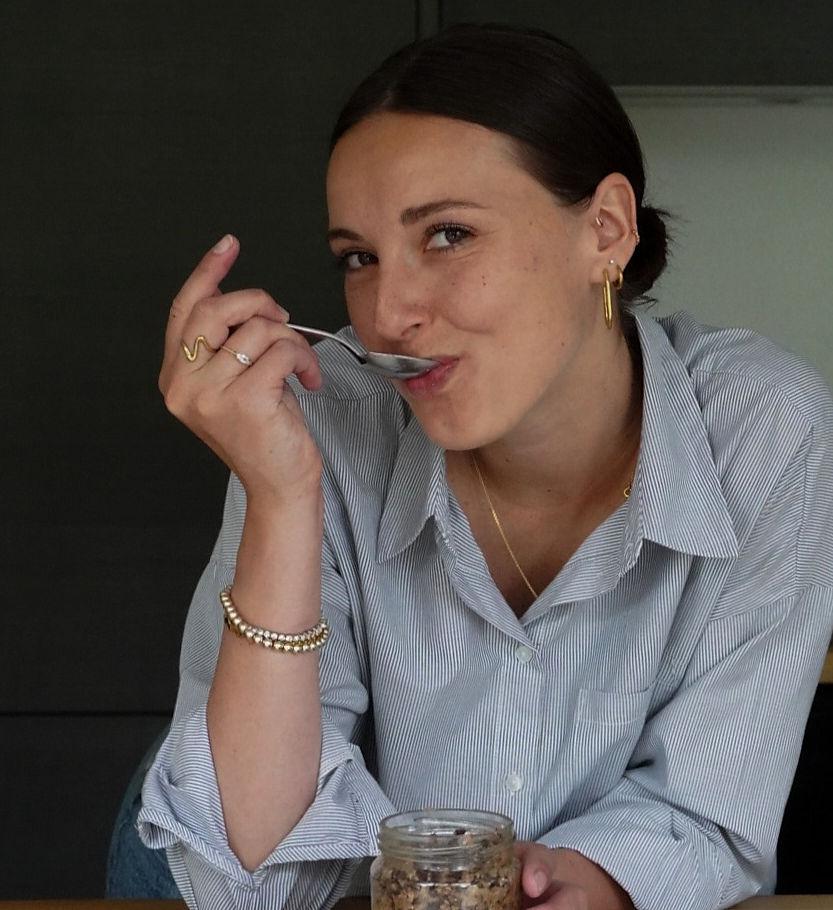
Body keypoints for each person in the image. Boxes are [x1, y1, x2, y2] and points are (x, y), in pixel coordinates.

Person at [131, 22, 833, 910]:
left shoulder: (765, 430)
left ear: (606, 230)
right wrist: (280, 495)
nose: (388, 313)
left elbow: (711, 812)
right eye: (358, 258)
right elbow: (253, 878)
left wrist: (598, 881)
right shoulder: (317, 425)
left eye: (448, 235)